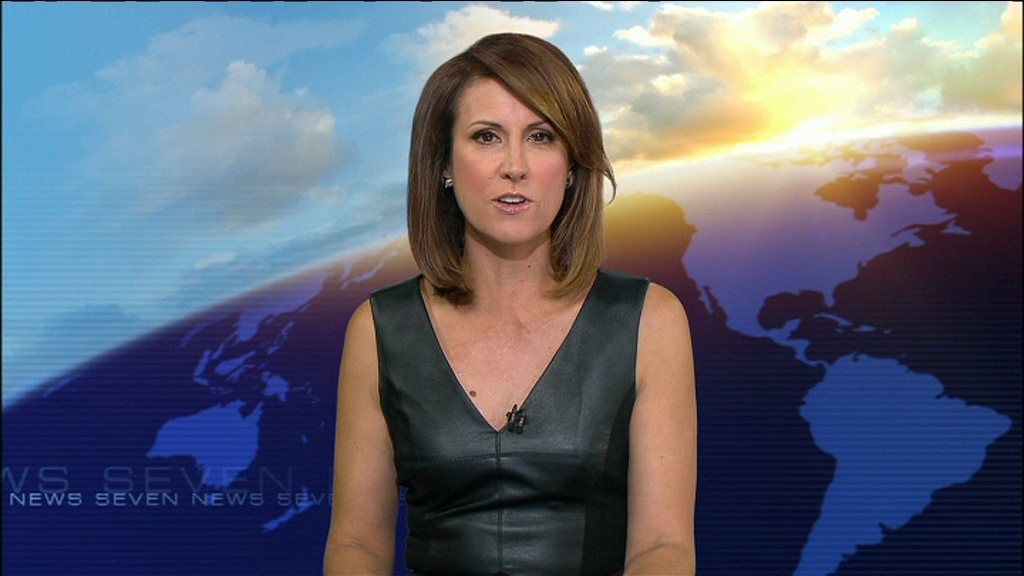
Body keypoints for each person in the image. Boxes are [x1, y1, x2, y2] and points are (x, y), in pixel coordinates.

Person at [324, 32, 696, 575]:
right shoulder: (379, 329)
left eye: (541, 137)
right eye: (487, 137)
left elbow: (663, 546)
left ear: (573, 165)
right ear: (444, 164)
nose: (514, 166)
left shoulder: (650, 320)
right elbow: (356, 543)